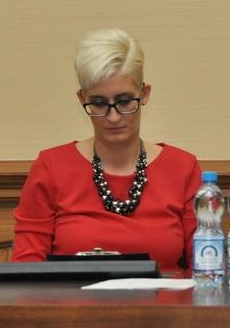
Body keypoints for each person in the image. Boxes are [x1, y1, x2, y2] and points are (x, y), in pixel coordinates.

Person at [12, 28, 202, 270]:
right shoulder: (51, 167)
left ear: (144, 94)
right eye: (99, 103)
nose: (113, 117)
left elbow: (206, 267)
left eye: (124, 101)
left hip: (163, 296)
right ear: (82, 99)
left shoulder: (182, 168)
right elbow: (26, 271)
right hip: (71, 296)